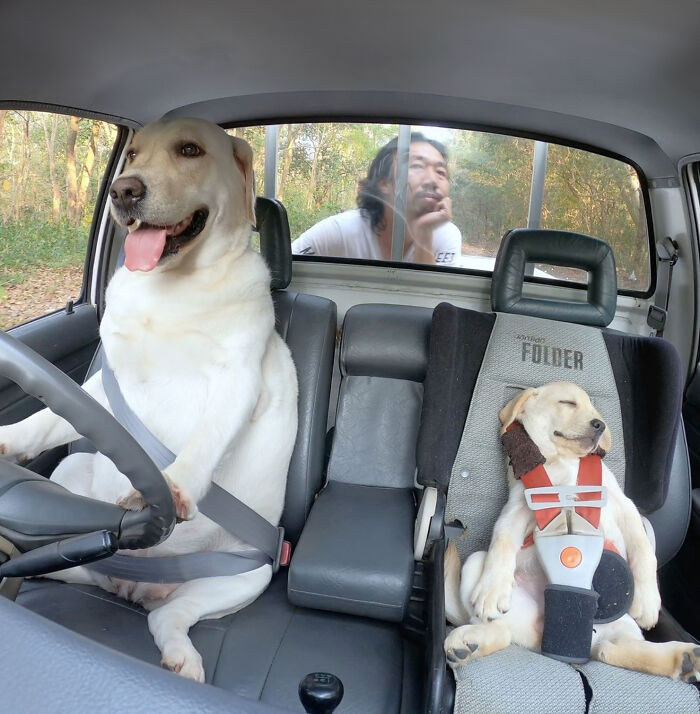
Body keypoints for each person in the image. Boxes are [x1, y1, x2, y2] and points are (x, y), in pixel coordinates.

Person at [291, 133, 462, 266]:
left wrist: (424, 236)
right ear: (384, 184)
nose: (432, 180)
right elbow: (281, 269)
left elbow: (435, 304)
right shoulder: (341, 230)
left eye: (441, 172)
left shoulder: (446, 235)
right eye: (417, 166)